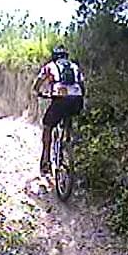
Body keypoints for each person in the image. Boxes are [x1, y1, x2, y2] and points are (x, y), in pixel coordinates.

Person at [32, 44, 85, 175]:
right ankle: (68, 144)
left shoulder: (49, 66)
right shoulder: (74, 66)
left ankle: (46, 161)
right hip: (77, 100)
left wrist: (37, 92)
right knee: (68, 116)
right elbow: (82, 85)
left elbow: (37, 83)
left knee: (47, 126)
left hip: (60, 100)